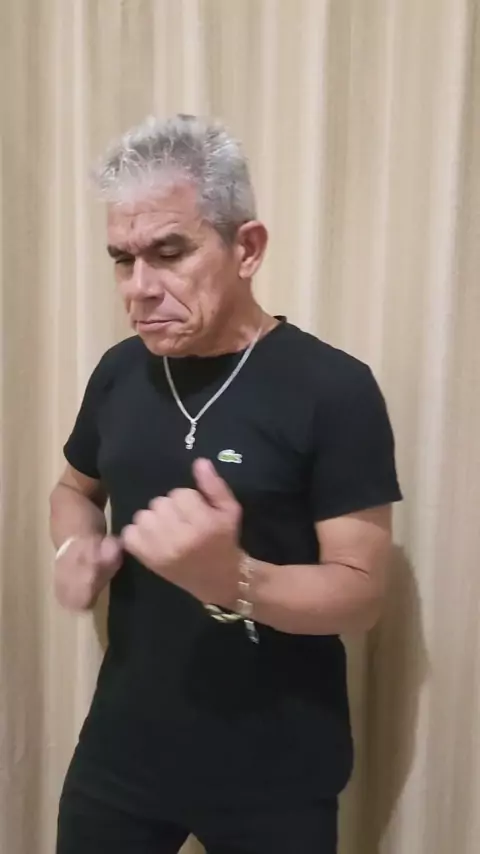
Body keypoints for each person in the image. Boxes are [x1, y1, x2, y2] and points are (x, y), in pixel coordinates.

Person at [50, 114, 402, 854]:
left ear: (247, 248)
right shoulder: (119, 372)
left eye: (169, 253)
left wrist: (232, 579)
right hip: (122, 750)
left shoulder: (334, 389)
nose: (139, 289)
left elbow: (363, 592)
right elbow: (74, 491)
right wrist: (74, 550)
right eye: (122, 260)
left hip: (278, 765)